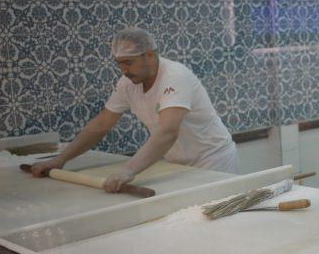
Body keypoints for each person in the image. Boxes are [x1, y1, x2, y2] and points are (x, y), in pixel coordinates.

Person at [31, 27, 238, 191]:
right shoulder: (127, 83)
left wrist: (129, 170)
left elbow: (167, 131)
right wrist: (60, 160)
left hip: (213, 160)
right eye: (119, 64)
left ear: (149, 55)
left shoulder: (175, 76)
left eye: (129, 62)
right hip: (178, 163)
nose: (124, 70)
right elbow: (102, 124)